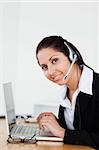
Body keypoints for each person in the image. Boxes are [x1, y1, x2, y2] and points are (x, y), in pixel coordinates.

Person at [35, 35, 99, 148]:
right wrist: (55, 123)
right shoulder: (66, 91)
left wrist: (62, 133)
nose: (50, 72)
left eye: (54, 60)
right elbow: (81, 129)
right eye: (44, 67)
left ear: (72, 56)